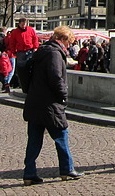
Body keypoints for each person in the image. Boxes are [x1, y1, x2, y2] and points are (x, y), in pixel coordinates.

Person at [22, 25, 82, 185]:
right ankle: (67, 169)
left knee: (34, 141)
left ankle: (29, 173)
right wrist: (63, 97)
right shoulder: (55, 54)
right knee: (61, 135)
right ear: (62, 39)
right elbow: (56, 78)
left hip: (35, 101)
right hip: (50, 104)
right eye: (68, 42)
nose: (69, 45)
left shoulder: (42, 51)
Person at [6, 18, 40, 91]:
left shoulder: (31, 30)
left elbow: (35, 39)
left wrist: (35, 47)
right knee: (21, 69)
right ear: (19, 24)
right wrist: (14, 51)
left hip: (30, 50)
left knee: (31, 67)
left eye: (25, 24)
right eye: (22, 24)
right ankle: (22, 84)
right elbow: (12, 42)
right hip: (20, 52)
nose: (24, 26)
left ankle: (31, 84)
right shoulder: (15, 32)